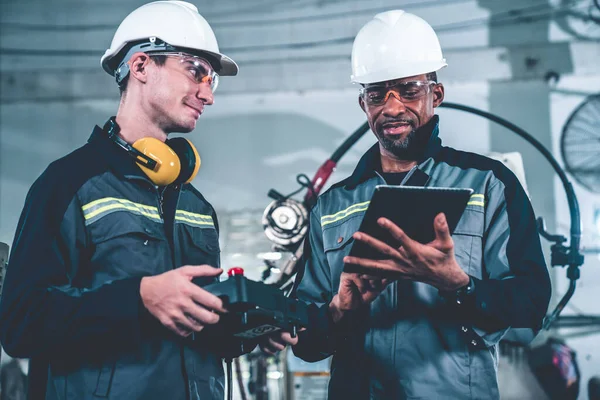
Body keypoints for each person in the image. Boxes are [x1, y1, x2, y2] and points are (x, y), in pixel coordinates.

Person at [0, 2, 296, 399]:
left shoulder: (196, 206)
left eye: (213, 81)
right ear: (140, 67)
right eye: (196, 71)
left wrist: (248, 330)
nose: (207, 94)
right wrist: (139, 298)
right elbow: (22, 324)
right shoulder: (68, 183)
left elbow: (199, 334)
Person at [291, 10, 552, 400]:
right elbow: (305, 341)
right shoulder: (332, 205)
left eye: (409, 90)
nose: (392, 108)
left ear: (437, 94)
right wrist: (338, 311)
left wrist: (459, 284)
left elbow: (531, 305)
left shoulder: (489, 184)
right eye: (377, 94)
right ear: (363, 104)